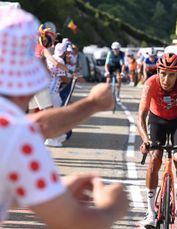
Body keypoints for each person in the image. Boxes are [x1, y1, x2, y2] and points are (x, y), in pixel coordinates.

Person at [0, 8, 128, 228]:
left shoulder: (15, 133)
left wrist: (46, 190)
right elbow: (74, 221)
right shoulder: (16, 137)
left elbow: (34, 126)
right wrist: (112, 208)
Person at [137, 53, 177, 227]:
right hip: (157, 120)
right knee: (155, 158)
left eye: (171, 74)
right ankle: (150, 210)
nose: (166, 78)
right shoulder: (150, 83)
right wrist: (145, 139)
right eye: (163, 73)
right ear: (158, 71)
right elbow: (141, 116)